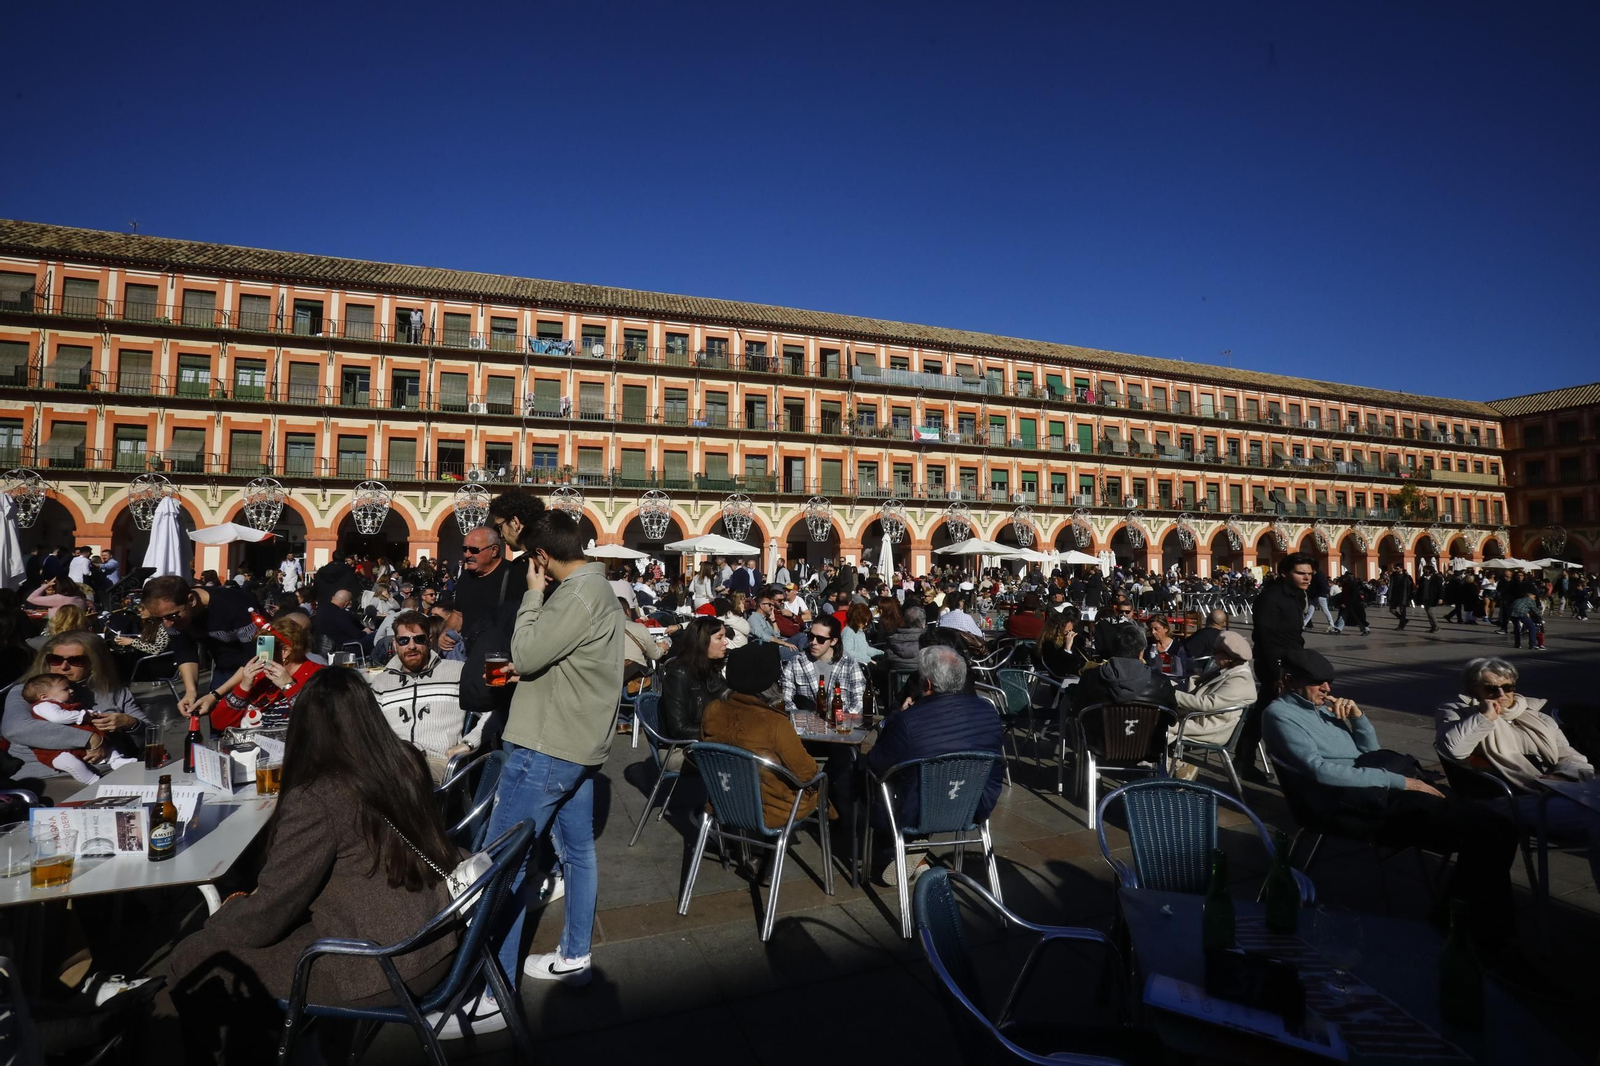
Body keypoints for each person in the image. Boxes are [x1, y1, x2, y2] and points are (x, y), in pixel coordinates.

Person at [143, 668, 459, 1065]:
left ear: (305, 726)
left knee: (195, 958)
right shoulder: (405, 761)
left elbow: (268, 914)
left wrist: (223, 917)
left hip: (384, 964)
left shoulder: (318, 795)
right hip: (435, 937)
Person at [472, 507, 623, 1027]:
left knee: (503, 864)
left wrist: (534, 595)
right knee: (578, 852)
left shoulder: (575, 593)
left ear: (541, 556)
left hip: (546, 746)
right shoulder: (600, 590)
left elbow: (530, 651)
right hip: (577, 747)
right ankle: (575, 955)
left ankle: (492, 994)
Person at [1263, 649, 1517, 955]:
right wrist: (1402, 781)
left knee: (1500, 825)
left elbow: (1370, 752)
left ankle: (1466, 920)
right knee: (1483, 833)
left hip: (1375, 790)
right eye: (1318, 683)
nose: (1327, 689)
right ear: (1289, 680)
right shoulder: (1279, 715)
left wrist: (1358, 720)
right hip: (1346, 806)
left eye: (1329, 681)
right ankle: (1474, 930)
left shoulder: (1321, 707)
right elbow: (1320, 771)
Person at [1435, 657, 1599, 879]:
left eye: (1507, 687)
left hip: (1560, 789)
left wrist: (1562, 774)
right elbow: (1453, 749)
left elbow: (1571, 755)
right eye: (1491, 688)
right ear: (1473, 689)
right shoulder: (1458, 711)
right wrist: (1486, 717)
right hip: (1510, 798)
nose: (1501, 695)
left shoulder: (1535, 714)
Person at [864, 644, 1005, 883]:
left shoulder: (909, 722)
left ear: (926, 685)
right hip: (974, 806)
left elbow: (877, 764)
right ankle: (916, 858)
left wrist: (895, 719)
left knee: (872, 777)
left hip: (920, 810)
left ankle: (895, 849)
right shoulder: (988, 713)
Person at [700, 643, 832, 881]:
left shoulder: (713, 709)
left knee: (771, 777)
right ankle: (770, 856)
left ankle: (758, 854)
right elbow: (805, 773)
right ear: (769, 682)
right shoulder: (774, 722)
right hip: (767, 808)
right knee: (816, 781)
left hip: (724, 799)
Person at [1, 634, 148, 798]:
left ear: (94, 663)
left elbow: (152, 735)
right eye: (55, 659)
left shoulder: (114, 691)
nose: (63, 667)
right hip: (49, 775)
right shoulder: (29, 692)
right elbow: (16, 729)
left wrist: (131, 723)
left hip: (109, 768)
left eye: (76, 661)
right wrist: (91, 738)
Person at [368, 610, 480, 783]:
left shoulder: (456, 672)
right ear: (395, 644)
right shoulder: (382, 682)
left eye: (418, 639)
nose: (411, 646)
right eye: (404, 641)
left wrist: (470, 742)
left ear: (429, 640)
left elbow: (493, 706)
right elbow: (368, 726)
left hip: (435, 763)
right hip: (390, 764)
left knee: (401, 781)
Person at [141, 574, 262, 715]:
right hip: (223, 668)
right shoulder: (171, 614)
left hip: (257, 668)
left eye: (172, 616)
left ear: (191, 600)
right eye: (160, 619)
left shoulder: (235, 605)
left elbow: (254, 656)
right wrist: (191, 692)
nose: (167, 624)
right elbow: (184, 652)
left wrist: (215, 695)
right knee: (219, 724)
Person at [1238, 553, 1314, 777]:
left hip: (1292, 662)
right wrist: (1276, 674)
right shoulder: (1270, 598)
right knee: (1271, 712)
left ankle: (1245, 759)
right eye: (1301, 573)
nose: (1307, 578)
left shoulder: (1297, 595)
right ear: (1284, 573)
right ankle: (1253, 760)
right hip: (1276, 664)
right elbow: (1265, 637)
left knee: (1265, 711)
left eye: (1310, 573)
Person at [193, 614, 322, 732]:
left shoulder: (318, 675)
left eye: (266, 648)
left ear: (285, 651)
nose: (260, 655)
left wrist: (288, 686)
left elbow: (321, 722)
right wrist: (243, 688)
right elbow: (219, 723)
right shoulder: (261, 676)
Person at [1168, 630, 1256, 778]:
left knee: (1157, 725)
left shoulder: (1240, 680)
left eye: (1216, 652)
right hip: (1199, 718)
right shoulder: (1227, 669)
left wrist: (1170, 694)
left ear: (1229, 657)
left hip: (1208, 726)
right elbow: (1197, 684)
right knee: (1155, 718)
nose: (1213, 654)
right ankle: (1166, 765)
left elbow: (1206, 704)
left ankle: (1173, 767)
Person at [19, 672, 136, 784]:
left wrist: (92, 714)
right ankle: (92, 780)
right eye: (65, 689)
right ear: (44, 696)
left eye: (70, 687)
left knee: (107, 743)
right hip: (56, 749)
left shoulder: (68, 705)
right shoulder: (43, 706)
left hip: (80, 743)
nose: (71, 691)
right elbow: (57, 717)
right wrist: (81, 716)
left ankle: (116, 760)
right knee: (71, 763)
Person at [659, 617, 730, 759]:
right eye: (719, 637)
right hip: (678, 749)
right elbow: (678, 729)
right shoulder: (679, 674)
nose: (726, 642)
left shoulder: (711, 668)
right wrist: (724, 732)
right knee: (747, 759)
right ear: (702, 642)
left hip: (707, 741)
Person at [1071, 621, 1176, 715]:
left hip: (1101, 735)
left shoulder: (1090, 677)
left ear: (1114, 649)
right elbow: (1171, 715)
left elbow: (1077, 711)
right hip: (1146, 734)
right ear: (1141, 653)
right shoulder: (1160, 681)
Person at [780, 614, 867, 720]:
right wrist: (801, 719)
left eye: (820, 639)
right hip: (805, 728)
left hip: (841, 729)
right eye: (811, 636)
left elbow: (860, 702)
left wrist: (839, 720)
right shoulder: (796, 662)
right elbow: (786, 699)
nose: (813, 642)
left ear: (833, 641)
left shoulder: (850, 665)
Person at [313, 588, 373, 658]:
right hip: (345, 647)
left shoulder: (320, 610)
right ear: (347, 603)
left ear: (332, 598)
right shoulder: (342, 614)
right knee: (376, 635)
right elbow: (357, 635)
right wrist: (366, 632)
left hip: (321, 647)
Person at [747, 588, 801, 661]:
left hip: (776, 645)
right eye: (770, 605)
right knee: (794, 652)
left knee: (801, 636)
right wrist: (784, 644)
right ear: (762, 606)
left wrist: (773, 620)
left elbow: (776, 635)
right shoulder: (754, 619)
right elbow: (764, 636)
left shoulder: (765, 619)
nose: (772, 607)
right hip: (767, 649)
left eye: (772, 605)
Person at [1037, 607, 1087, 678]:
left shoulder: (1073, 641)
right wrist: (1067, 649)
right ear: (1057, 632)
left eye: (1071, 631)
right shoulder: (1049, 645)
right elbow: (1060, 670)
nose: (1070, 634)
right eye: (1067, 632)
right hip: (1066, 681)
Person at [1330, 570, 1371, 636]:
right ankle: (1338, 629)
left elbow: (1353, 596)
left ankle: (1366, 629)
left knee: (1358, 617)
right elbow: (1344, 595)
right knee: (1342, 616)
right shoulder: (1346, 584)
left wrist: (1345, 603)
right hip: (1346, 604)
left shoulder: (1353, 585)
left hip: (1354, 604)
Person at [885, 605, 926, 669]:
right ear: (923, 623)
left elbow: (884, 665)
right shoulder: (929, 640)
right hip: (922, 675)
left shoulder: (892, 640)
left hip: (894, 676)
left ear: (904, 622)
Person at [1388, 563, 1416, 631]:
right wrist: (1389, 595)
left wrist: (1410, 595)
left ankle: (1401, 626)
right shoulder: (1393, 576)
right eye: (1395, 568)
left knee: (1402, 611)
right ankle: (1403, 620)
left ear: (1401, 568)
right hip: (1394, 595)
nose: (1395, 570)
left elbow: (1411, 587)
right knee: (1392, 610)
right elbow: (1391, 586)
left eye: (1397, 568)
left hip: (1403, 595)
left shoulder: (1407, 577)